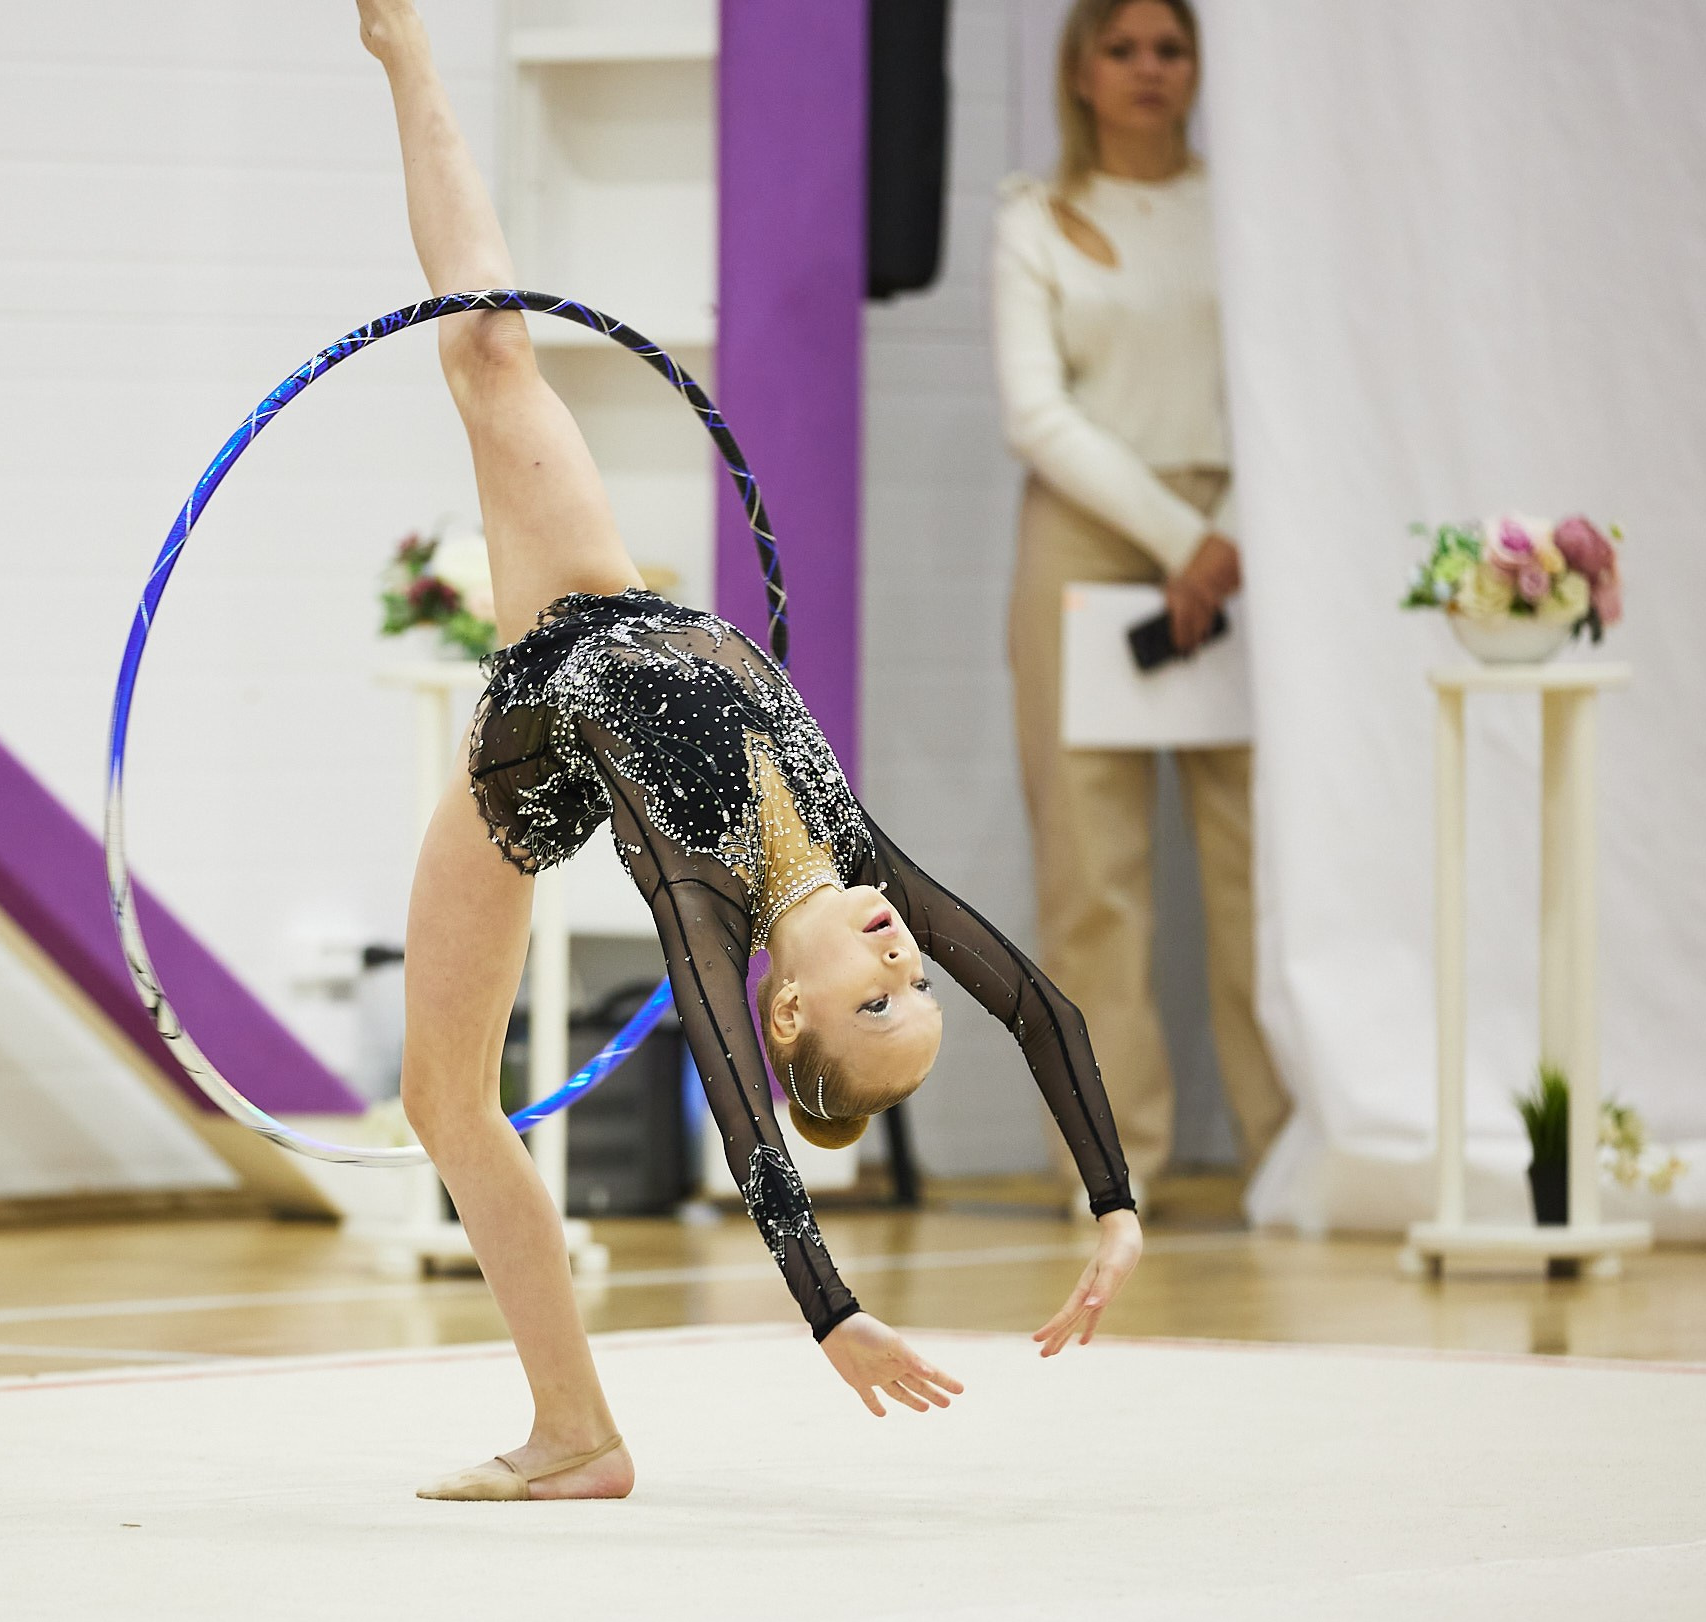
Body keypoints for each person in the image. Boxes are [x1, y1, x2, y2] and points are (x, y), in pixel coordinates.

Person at [358, 0, 1142, 1503]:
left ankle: (576, 1431)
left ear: (788, 1014)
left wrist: (831, 1307)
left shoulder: (709, 906)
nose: (904, 955)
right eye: (917, 982)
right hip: (601, 598)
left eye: (876, 994)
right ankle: (579, 1431)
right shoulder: (857, 860)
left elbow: (743, 1123)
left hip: (533, 740)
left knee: (444, 1098)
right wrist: (1111, 1202)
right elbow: (1039, 1002)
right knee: (492, 349)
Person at [991, 0, 1291, 1206]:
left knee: (1256, 865)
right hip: (1092, 539)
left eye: (1169, 48)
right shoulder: (1032, 216)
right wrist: (1181, 541)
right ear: (1079, 69)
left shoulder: (1247, 207)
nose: (1147, 69)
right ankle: (1114, 1168)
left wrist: (1225, 539)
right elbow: (1035, 413)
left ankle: (1287, 1151)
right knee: (1093, 872)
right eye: (1121, 48)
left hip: (1243, 536)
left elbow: (1287, 375)